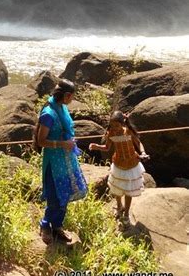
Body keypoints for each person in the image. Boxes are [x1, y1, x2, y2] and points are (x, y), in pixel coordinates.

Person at [36, 79, 87, 244]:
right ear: (66, 95)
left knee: (65, 194)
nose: (72, 100)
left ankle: (57, 226)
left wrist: (69, 140)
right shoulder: (48, 114)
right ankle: (45, 224)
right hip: (53, 161)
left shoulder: (62, 108)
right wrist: (62, 143)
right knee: (54, 196)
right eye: (72, 96)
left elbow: (66, 130)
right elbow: (41, 141)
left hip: (66, 159)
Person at [89, 111, 149, 224]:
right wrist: (96, 146)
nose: (115, 128)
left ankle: (126, 213)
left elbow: (138, 143)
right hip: (118, 163)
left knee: (128, 190)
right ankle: (119, 206)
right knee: (117, 188)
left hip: (131, 163)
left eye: (117, 125)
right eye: (112, 125)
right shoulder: (110, 133)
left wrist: (143, 152)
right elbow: (107, 148)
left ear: (122, 123)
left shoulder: (128, 131)